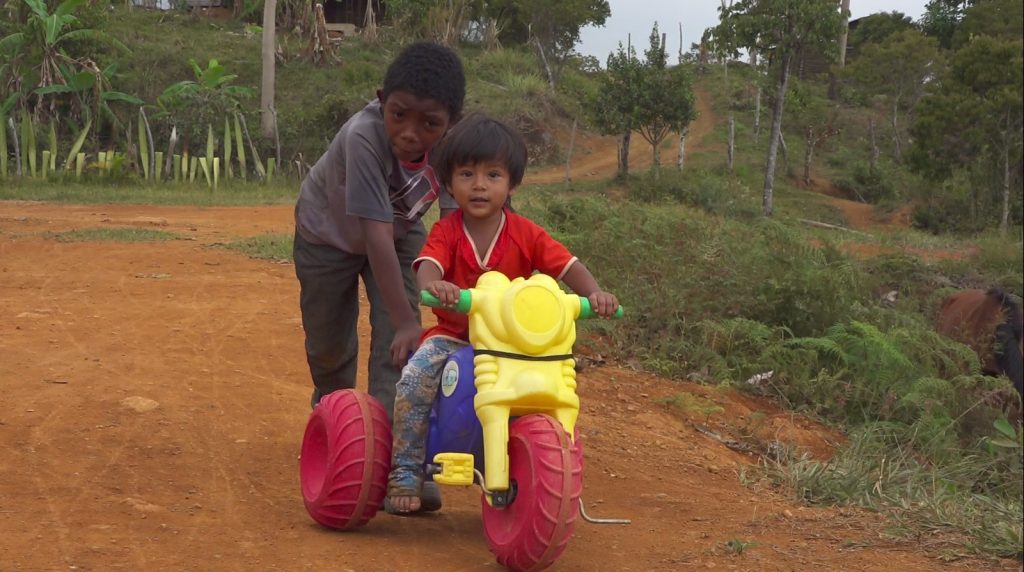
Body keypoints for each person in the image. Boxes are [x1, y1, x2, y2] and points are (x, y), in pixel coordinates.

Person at [386, 115, 620, 513]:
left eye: (493, 175)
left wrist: (595, 293)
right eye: (467, 174)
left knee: (553, 390)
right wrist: (435, 286)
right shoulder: (447, 231)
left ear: (512, 183)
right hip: (455, 335)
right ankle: (406, 467)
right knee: (414, 378)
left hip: (514, 343)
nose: (479, 185)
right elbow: (427, 267)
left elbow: (566, 266)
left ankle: (546, 464)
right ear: (449, 182)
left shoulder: (526, 233)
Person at [292, 41, 465, 420]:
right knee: (328, 344)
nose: (409, 133)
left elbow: (457, 226)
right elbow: (374, 235)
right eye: (398, 114)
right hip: (326, 236)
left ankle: (390, 437)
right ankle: (334, 413)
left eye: (430, 124)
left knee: (399, 342)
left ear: (451, 122)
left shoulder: (455, 147)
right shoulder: (364, 137)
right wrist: (404, 321)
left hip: (400, 233)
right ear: (382, 100)